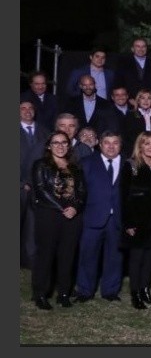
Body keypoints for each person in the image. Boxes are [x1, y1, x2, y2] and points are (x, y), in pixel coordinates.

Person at [30, 131, 86, 310]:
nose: (60, 146)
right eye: (55, 143)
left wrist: (75, 208)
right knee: (45, 256)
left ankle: (64, 293)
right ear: (49, 146)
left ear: (69, 146)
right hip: (49, 216)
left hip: (72, 217)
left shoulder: (76, 167)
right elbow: (41, 191)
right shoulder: (40, 165)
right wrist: (62, 208)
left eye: (64, 143)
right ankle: (40, 294)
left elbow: (83, 191)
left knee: (67, 256)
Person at [74, 131, 125, 303]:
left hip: (118, 218)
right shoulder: (87, 163)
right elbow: (79, 192)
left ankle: (110, 290)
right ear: (100, 145)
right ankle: (85, 290)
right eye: (107, 143)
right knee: (88, 254)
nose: (111, 146)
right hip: (93, 217)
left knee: (115, 255)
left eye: (115, 143)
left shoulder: (129, 164)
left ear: (120, 145)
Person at [119, 131, 151, 309]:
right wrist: (128, 223)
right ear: (140, 146)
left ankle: (145, 289)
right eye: (146, 143)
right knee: (136, 258)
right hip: (138, 220)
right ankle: (135, 294)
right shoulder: (131, 165)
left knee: (150, 258)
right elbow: (124, 196)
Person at [20, 101, 50, 268]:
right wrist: (21, 183)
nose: (27, 111)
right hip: (18, 187)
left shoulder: (45, 132)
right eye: (23, 108)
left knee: (31, 227)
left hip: (38, 187)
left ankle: (29, 259)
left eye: (30, 108)